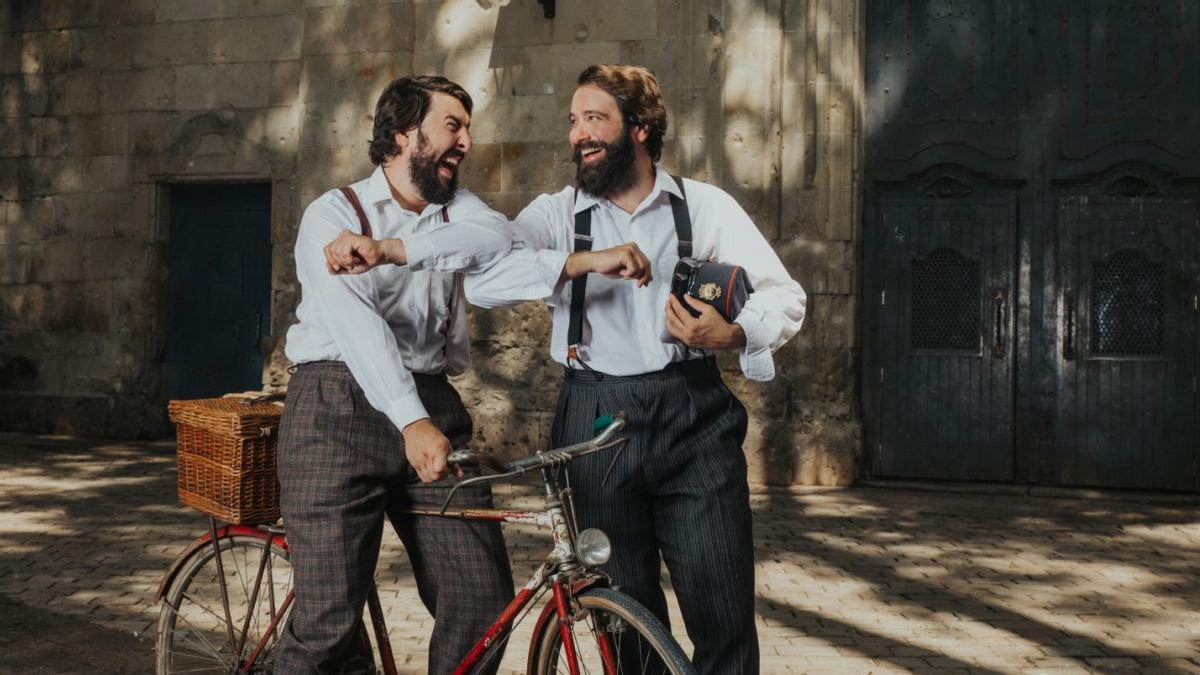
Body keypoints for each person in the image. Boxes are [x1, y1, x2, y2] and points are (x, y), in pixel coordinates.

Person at [324, 65, 806, 674]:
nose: (579, 134)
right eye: (574, 121)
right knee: (620, 609)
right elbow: (486, 277)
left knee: (723, 608)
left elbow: (784, 295)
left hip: (694, 416)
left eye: (594, 118)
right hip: (594, 421)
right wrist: (580, 262)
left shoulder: (703, 207)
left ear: (641, 127)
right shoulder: (555, 215)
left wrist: (734, 332)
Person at [277, 75, 515, 674]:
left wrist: (388, 249)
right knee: (329, 626)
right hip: (335, 408)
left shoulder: (457, 209)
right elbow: (359, 329)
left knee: (483, 600)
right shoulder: (331, 213)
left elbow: (498, 236)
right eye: (453, 125)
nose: (465, 141)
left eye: (467, 127)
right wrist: (410, 420)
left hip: (431, 403)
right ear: (406, 133)